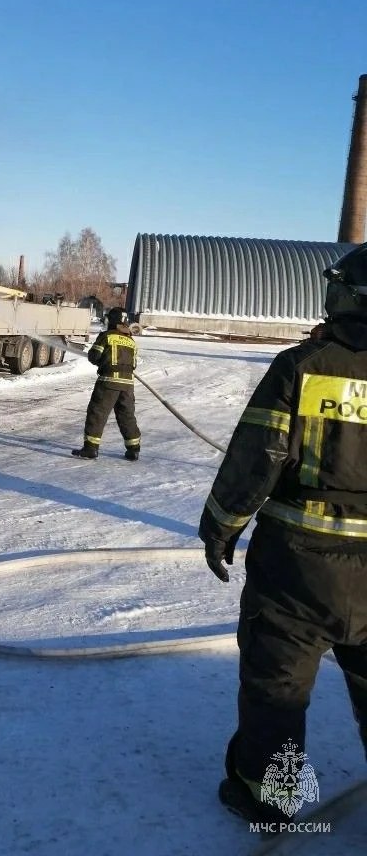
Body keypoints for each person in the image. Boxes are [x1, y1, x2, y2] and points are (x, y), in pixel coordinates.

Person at [198, 242, 367, 824]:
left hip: (298, 573)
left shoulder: (304, 366)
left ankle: (268, 796)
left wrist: (220, 526)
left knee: (277, 690)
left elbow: (257, 457)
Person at [71, 306, 141, 460]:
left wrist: (103, 360)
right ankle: (133, 449)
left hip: (108, 382)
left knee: (97, 413)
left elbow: (94, 356)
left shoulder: (106, 336)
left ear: (111, 321)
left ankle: (90, 448)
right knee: (126, 415)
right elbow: (134, 364)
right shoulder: (131, 341)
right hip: (128, 384)